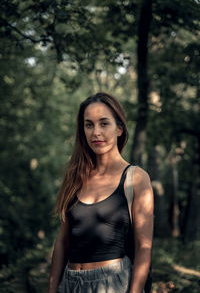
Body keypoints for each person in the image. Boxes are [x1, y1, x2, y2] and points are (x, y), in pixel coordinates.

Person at [48, 92, 154, 293]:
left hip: (112, 284)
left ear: (119, 129)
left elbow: (144, 247)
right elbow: (62, 241)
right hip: (70, 283)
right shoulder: (75, 176)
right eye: (89, 124)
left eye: (104, 123)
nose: (96, 132)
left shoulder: (136, 178)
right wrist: (53, 288)